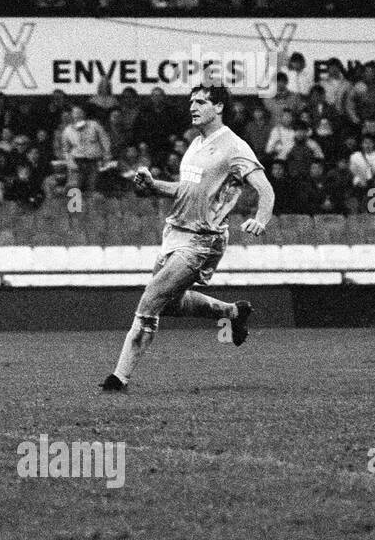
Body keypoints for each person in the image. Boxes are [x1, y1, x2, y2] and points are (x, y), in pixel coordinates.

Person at [100, 85, 274, 392]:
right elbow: (187, 189)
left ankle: (119, 378)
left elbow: (265, 188)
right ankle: (232, 312)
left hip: (202, 240)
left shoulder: (234, 147)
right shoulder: (196, 143)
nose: (192, 106)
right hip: (176, 232)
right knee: (170, 303)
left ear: (218, 107)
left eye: (200, 102)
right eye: (191, 101)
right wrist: (154, 184)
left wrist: (260, 219)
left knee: (151, 298)